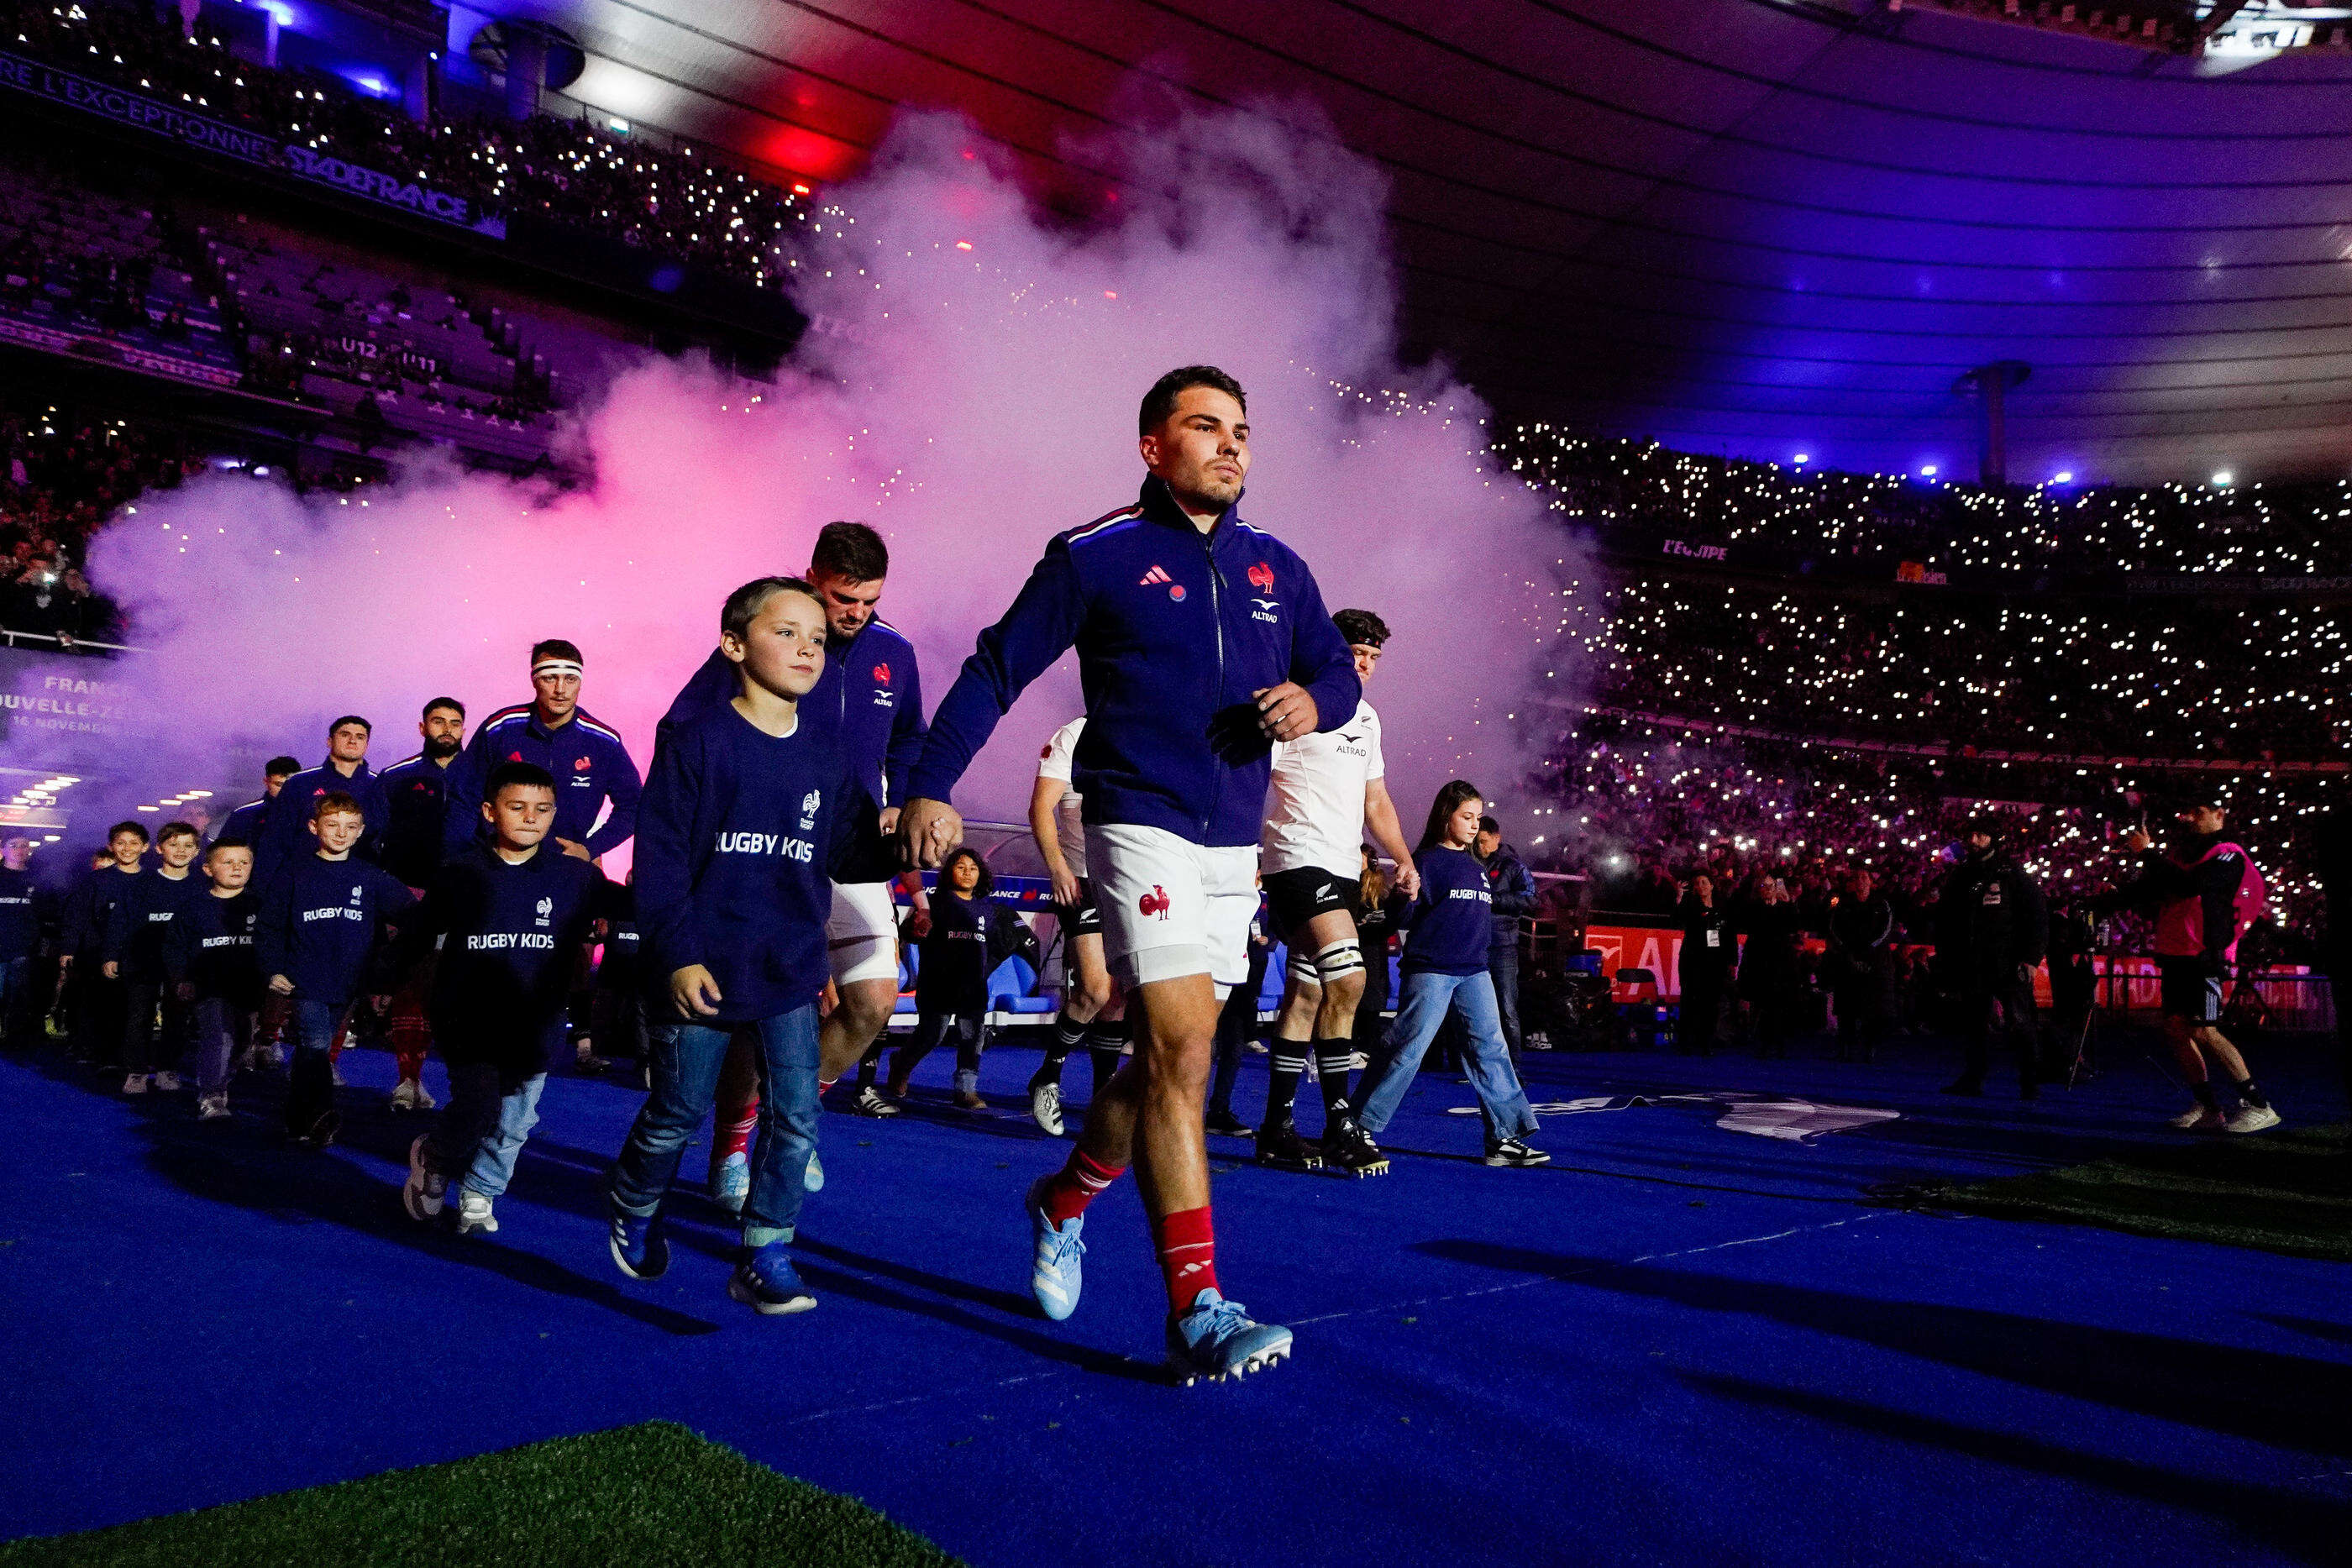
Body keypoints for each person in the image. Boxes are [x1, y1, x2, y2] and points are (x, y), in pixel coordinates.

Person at [897, 365, 1358, 1382]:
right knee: (1186, 1046)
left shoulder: (1281, 566)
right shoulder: (1095, 553)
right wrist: (931, 784)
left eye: (1241, 430)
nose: (1232, 445)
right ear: (1153, 446)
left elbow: (1333, 669)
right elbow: (995, 667)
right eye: (1206, 427)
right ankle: (1196, 1308)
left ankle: (1062, 1199)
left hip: (1233, 841)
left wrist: (1310, 703)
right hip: (1136, 818)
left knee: (1168, 1062)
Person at [606, 576, 890, 1315]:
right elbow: (661, 858)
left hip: (788, 970)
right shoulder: (697, 739)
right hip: (700, 967)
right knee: (676, 1111)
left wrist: (905, 839)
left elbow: (851, 855)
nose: (807, 648)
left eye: (818, 638)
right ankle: (635, 1202)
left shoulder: (828, 758)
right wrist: (677, 951)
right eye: (786, 632)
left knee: (796, 1115)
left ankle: (766, 1248)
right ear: (734, 644)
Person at [659, 522, 930, 1182]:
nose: (856, 615)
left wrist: (908, 798)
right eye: (844, 599)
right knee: (763, 1005)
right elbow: (681, 728)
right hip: (766, 845)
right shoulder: (767, 633)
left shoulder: (894, 650)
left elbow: (911, 742)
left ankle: (787, 1123)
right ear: (813, 576)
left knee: (873, 1000)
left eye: (869, 601)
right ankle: (731, 1140)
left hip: (850, 843)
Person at [400, 762, 608, 1235]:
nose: (531, 818)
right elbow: (417, 935)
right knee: (477, 1110)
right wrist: (382, 981)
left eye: (543, 809)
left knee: (516, 1122)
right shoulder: (459, 873)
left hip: (537, 1025)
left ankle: (481, 1189)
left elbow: (630, 909)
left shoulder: (574, 876)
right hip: (468, 1020)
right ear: (490, 812)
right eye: (517, 807)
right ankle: (432, 1157)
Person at [1253, 606, 1418, 1175]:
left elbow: (1376, 801)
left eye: (1373, 658)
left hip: (1344, 869)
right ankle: (1342, 1123)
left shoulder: (1368, 720)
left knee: (1305, 995)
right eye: (1356, 654)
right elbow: (1251, 776)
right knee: (1349, 977)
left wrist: (1403, 856)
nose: (1365, 666)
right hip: (1297, 860)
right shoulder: (1294, 703)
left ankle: (1276, 1128)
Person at [1353, 782, 1546, 1167]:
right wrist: (1404, 896)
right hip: (1432, 971)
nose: (1475, 825)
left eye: (1478, 818)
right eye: (1467, 817)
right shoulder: (1424, 861)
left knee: (1491, 1050)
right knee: (1407, 1048)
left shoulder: (1477, 867)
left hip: (1475, 972)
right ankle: (1358, 1126)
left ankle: (1503, 1138)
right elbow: (1400, 920)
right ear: (1446, 816)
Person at [2095, 804, 2276, 1132]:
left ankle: (2259, 1104)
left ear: (2220, 814)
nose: (2189, 818)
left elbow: (2190, 886)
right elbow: (2153, 889)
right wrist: (2107, 900)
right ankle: (2209, 1107)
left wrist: (2148, 854)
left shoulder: (2228, 854)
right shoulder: (2182, 857)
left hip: (2204, 955)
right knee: (2177, 1030)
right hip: (2176, 952)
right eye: (2187, 812)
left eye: (2199, 812)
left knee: (2203, 1029)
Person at [255, 792, 417, 1147]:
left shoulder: (370, 876)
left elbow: (413, 915)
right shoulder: (294, 872)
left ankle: (297, 1119)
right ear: (315, 827)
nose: (341, 833)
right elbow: (268, 926)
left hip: (348, 981)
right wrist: (272, 969)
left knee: (317, 1047)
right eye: (333, 825)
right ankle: (321, 1115)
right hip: (304, 975)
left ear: (360, 832)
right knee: (314, 1044)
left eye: (350, 827)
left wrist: (390, 964)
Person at [1026, 716, 1126, 1135]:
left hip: (1127, 880)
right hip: (1080, 878)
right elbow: (1039, 808)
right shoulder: (1075, 733)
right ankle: (1047, 1077)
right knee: (1094, 988)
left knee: (1118, 997)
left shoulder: (1144, 729)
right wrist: (1057, 868)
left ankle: (1103, 1099)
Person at [872, 847, 1019, 1109]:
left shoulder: (989, 910)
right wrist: (916, 930)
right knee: (932, 1034)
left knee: (972, 1038)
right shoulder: (934, 904)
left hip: (973, 990)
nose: (967, 873)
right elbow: (910, 933)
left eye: (973, 868)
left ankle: (966, 1090)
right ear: (949, 870)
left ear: (980, 875)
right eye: (961, 867)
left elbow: (1000, 946)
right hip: (937, 986)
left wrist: (984, 970)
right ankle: (901, 1064)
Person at [378, 697, 465, 1112]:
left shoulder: (484, 774)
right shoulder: (397, 776)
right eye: (438, 722)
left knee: (461, 990)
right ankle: (407, 1079)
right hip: (411, 895)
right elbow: (372, 837)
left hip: (468, 897)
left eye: (455, 722)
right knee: (413, 984)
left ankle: (471, 1093)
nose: (447, 729)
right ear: (422, 727)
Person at [1935, 817, 2047, 1099]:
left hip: (2009, 962)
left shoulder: (2012, 874)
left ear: (1992, 839)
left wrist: (2031, 958)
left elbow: (2037, 917)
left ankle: (2030, 1081)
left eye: (1980, 835)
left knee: (2021, 1023)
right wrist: (1948, 959)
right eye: (1969, 835)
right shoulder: (1960, 875)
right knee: (1974, 1024)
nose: (1972, 840)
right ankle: (1973, 1079)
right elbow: (1947, 921)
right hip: (1972, 963)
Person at [103, 820, 205, 1093]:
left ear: (197, 851)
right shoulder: (141, 884)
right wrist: (112, 955)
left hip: (182, 967)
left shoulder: (201, 887)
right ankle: (136, 1071)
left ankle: (166, 1069)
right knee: (139, 1017)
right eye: (174, 845)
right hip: (142, 961)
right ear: (159, 849)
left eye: (188, 846)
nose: (181, 851)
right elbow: (119, 922)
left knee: (177, 1019)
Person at [177, 840, 261, 1120]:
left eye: (244, 862)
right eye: (228, 862)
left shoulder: (260, 905)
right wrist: (182, 978)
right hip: (209, 988)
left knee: (242, 1042)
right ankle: (211, 1096)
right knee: (218, 1037)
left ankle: (222, 1083)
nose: (237, 868)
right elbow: (176, 945)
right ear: (207, 869)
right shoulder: (193, 907)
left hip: (249, 989)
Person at [255, 718, 392, 878]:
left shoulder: (380, 786)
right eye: (345, 734)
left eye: (360, 737)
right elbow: (275, 840)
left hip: (359, 881)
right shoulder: (300, 783)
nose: (352, 740)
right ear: (329, 741)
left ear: (366, 745)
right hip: (303, 877)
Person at [59, 821, 146, 1072]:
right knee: (104, 1005)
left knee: (136, 1009)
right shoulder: (96, 880)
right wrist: (69, 948)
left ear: (145, 846)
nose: (127, 848)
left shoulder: (151, 879)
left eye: (133, 842)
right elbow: (78, 915)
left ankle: (130, 1057)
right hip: (98, 952)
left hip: (139, 955)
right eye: (121, 842)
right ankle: (102, 1054)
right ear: (111, 846)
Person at [1474, 815, 1537, 1066]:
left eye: (1483, 841)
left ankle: (1513, 1067)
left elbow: (1531, 899)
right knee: (1475, 1009)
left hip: (1502, 946)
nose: (1478, 846)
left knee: (1506, 1007)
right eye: (1476, 841)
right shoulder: (1470, 863)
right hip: (1474, 945)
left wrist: (1493, 899)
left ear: (1496, 838)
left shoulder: (1514, 867)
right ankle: (1477, 1065)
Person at [1825, 866, 1895, 1065]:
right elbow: (1834, 930)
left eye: (1864, 877)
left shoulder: (1882, 904)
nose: (1861, 881)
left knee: (1872, 1011)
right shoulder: (1842, 904)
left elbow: (1885, 932)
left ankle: (1869, 1048)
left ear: (1871, 882)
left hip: (1874, 963)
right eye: (1857, 878)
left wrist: (1867, 953)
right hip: (1848, 962)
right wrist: (1849, 954)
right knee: (1846, 1008)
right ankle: (1845, 1047)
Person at [1738, 875, 1804, 1060]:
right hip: (1759, 961)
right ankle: (1764, 1042)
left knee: (1780, 1004)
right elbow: (1749, 925)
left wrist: (1789, 902)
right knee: (1763, 1004)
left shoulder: (1786, 908)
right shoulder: (1753, 908)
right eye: (1764, 886)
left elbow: (1795, 926)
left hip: (1781, 963)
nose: (1767, 889)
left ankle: (1779, 1042)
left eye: (1771, 886)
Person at [1676, 873, 1735, 1057]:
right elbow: (1677, 919)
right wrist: (1679, 898)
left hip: (1714, 962)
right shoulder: (1690, 905)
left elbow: (1729, 935)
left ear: (1711, 886)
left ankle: (1706, 1042)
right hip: (1692, 961)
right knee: (1689, 1001)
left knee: (1711, 1004)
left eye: (1704, 883)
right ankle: (1685, 1041)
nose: (1701, 886)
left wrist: (1732, 961)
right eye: (1697, 883)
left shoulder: (1721, 908)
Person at [0, 833, 43, 1051]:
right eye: (13, 845)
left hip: (23, 949)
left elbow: (44, 914)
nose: (19, 850)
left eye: (24, 846)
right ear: (3, 849)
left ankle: (13, 1039)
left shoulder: (37, 880)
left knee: (17, 996)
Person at [214, 756, 299, 849]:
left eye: (291, 785)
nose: (285, 790)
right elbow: (224, 851)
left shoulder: (311, 812)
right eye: (279, 785)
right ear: (266, 782)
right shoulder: (244, 815)